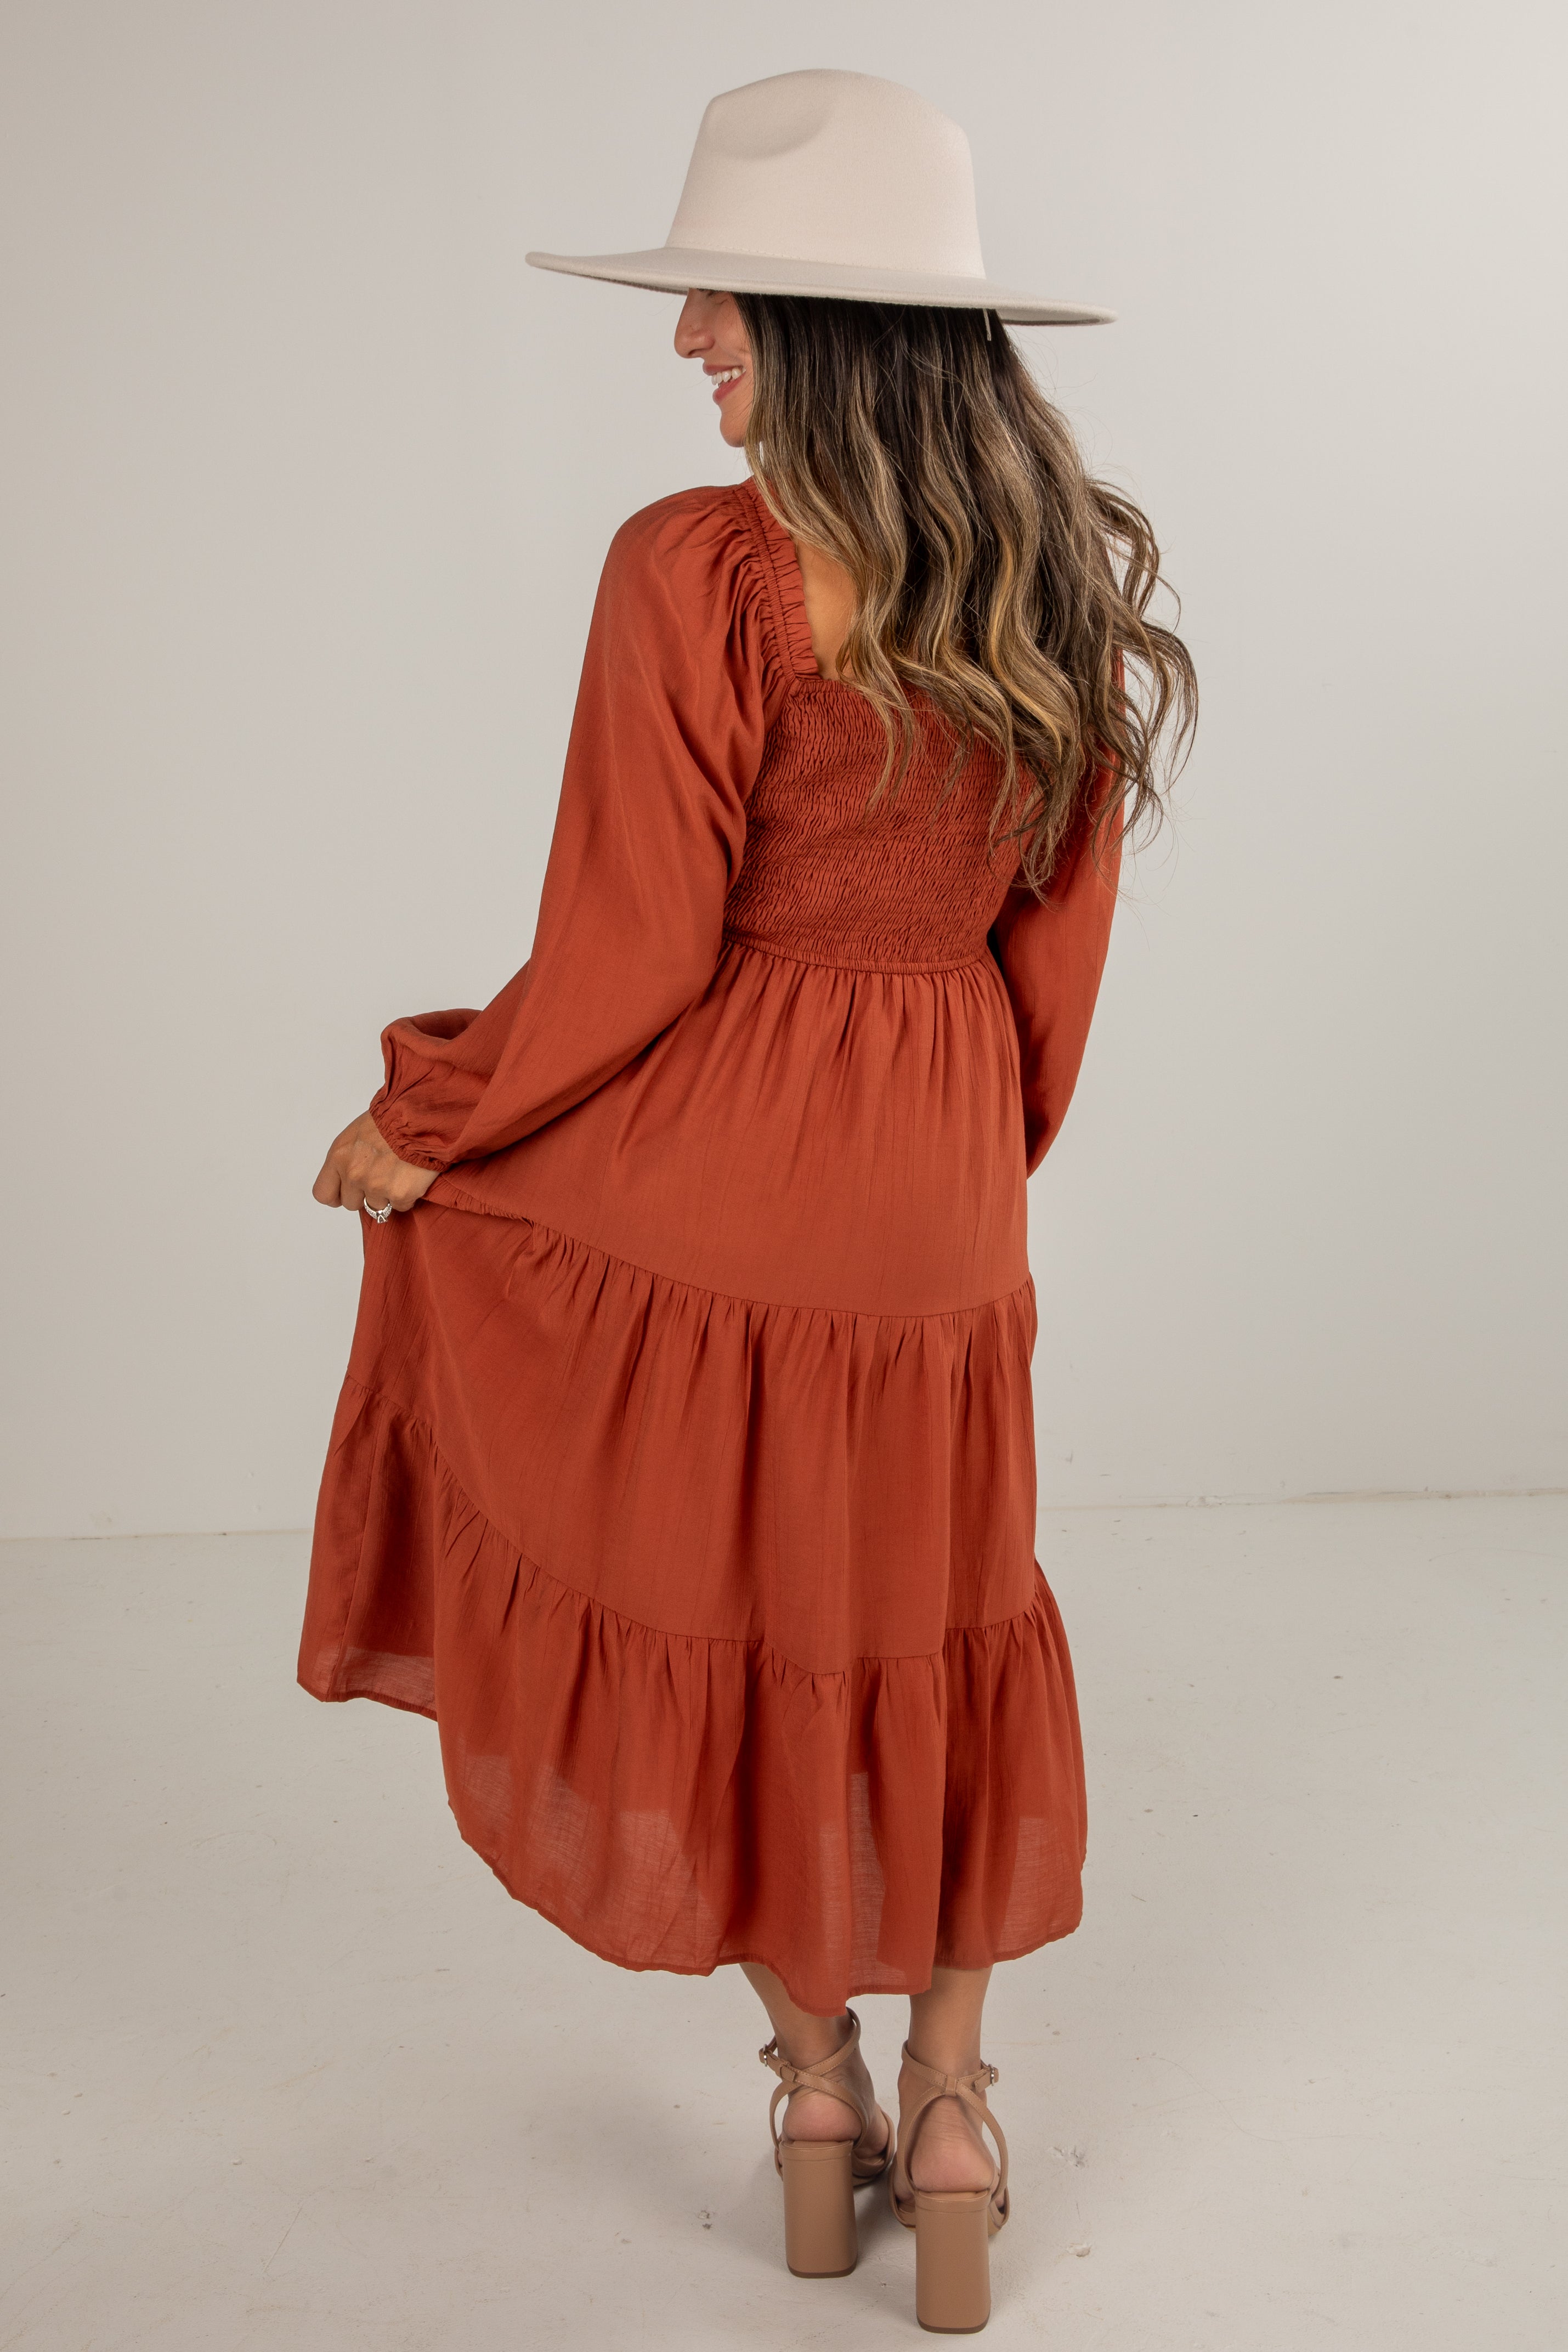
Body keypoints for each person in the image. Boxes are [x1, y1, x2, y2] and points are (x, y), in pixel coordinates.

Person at [302, 69, 1193, 2334]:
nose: (682, 334)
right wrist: (968, 1176)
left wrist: (445, 1115)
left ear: (812, 322)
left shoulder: (696, 569)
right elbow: (1054, 970)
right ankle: (964, 2104)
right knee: (938, 1602)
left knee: (755, 1600)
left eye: (709, 297)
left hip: (731, 1133)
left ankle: (809, 2091)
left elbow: (626, 950)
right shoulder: (1058, 578)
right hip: (939, 1169)